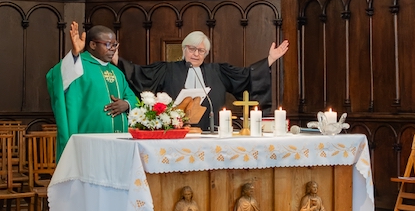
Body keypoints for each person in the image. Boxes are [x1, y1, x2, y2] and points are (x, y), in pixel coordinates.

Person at [47, 21, 138, 211]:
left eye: (115, 44)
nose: (112, 49)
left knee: (111, 204)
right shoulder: (78, 67)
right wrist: (74, 55)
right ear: (93, 45)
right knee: (85, 204)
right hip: (88, 152)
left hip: (118, 151)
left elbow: (133, 97)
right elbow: (57, 79)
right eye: (108, 44)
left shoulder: (117, 73)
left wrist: (126, 104)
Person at [80, 30, 289, 131]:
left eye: (201, 51)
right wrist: (116, 58)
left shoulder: (218, 71)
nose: (196, 54)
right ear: (184, 49)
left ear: (206, 53)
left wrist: (269, 60)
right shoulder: (167, 69)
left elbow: (245, 77)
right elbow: (139, 74)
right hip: (175, 134)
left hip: (211, 133)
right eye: (192, 49)